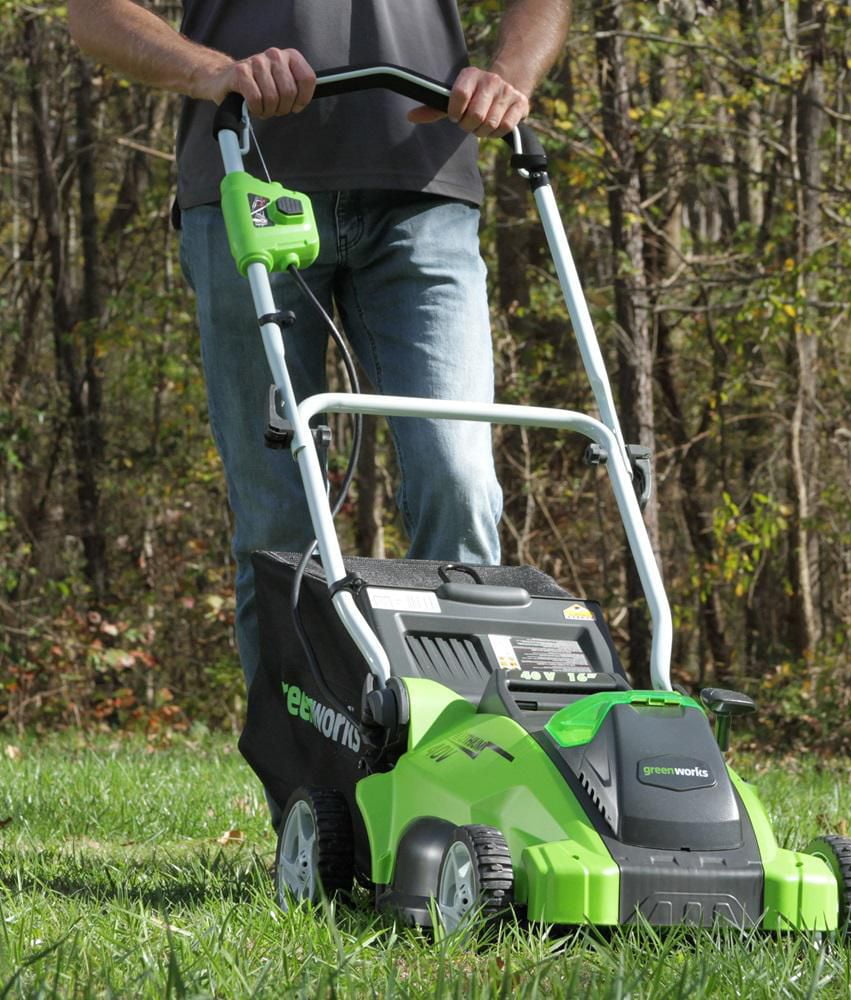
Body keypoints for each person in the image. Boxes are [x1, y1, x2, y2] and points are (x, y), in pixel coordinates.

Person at [66, 1, 572, 694]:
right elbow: (94, 13)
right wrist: (213, 70)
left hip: (423, 192)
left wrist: (509, 74)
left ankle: (461, 762)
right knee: (280, 518)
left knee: (458, 480)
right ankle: (306, 789)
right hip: (247, 187)